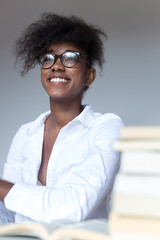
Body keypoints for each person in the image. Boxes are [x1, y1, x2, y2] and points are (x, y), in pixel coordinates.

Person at [0, 13, 124, 224]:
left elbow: (74, 208)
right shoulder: (26, 133)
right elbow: (8, 212)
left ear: (89, 76)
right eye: (48, 58)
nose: (56, 66)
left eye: (71, 58)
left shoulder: (106, 127)